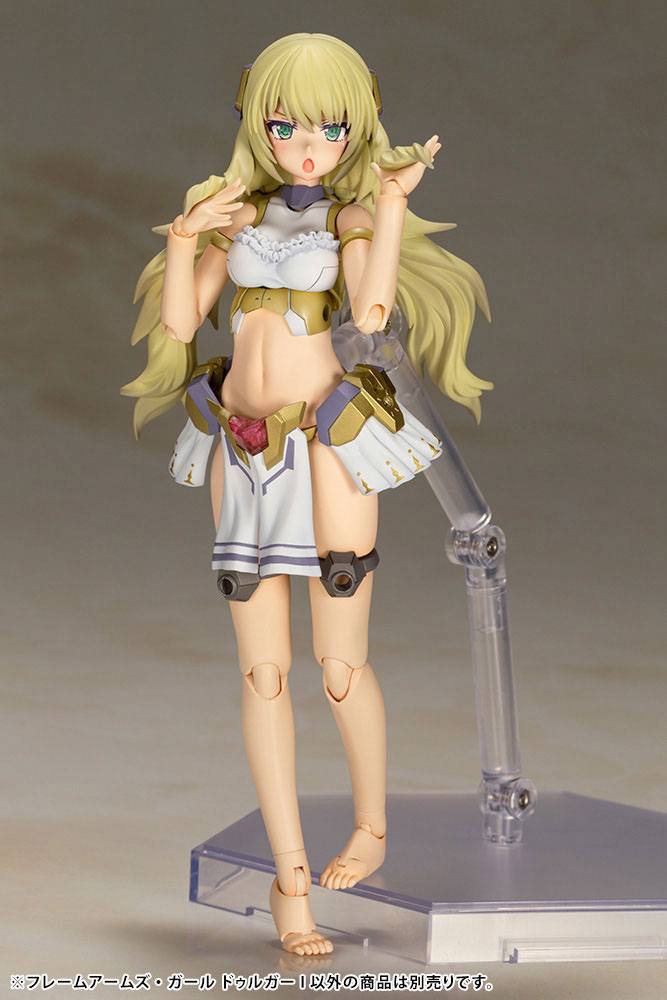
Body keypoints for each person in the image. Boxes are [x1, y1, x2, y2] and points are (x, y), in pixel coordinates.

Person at [122, 32, 491, 956]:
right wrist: (184, 237)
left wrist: (391, 207)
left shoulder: (349, 217)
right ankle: (289, 880)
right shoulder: (237, 213)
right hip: (240, 444)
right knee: (262, 674)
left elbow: (371, 314)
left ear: (356, 127)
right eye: (286, 125)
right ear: (257, 121)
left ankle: (370, 828)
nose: (308, 145)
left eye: (330, 128)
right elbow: (181, 319)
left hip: (327, 443)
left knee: (337, 665)